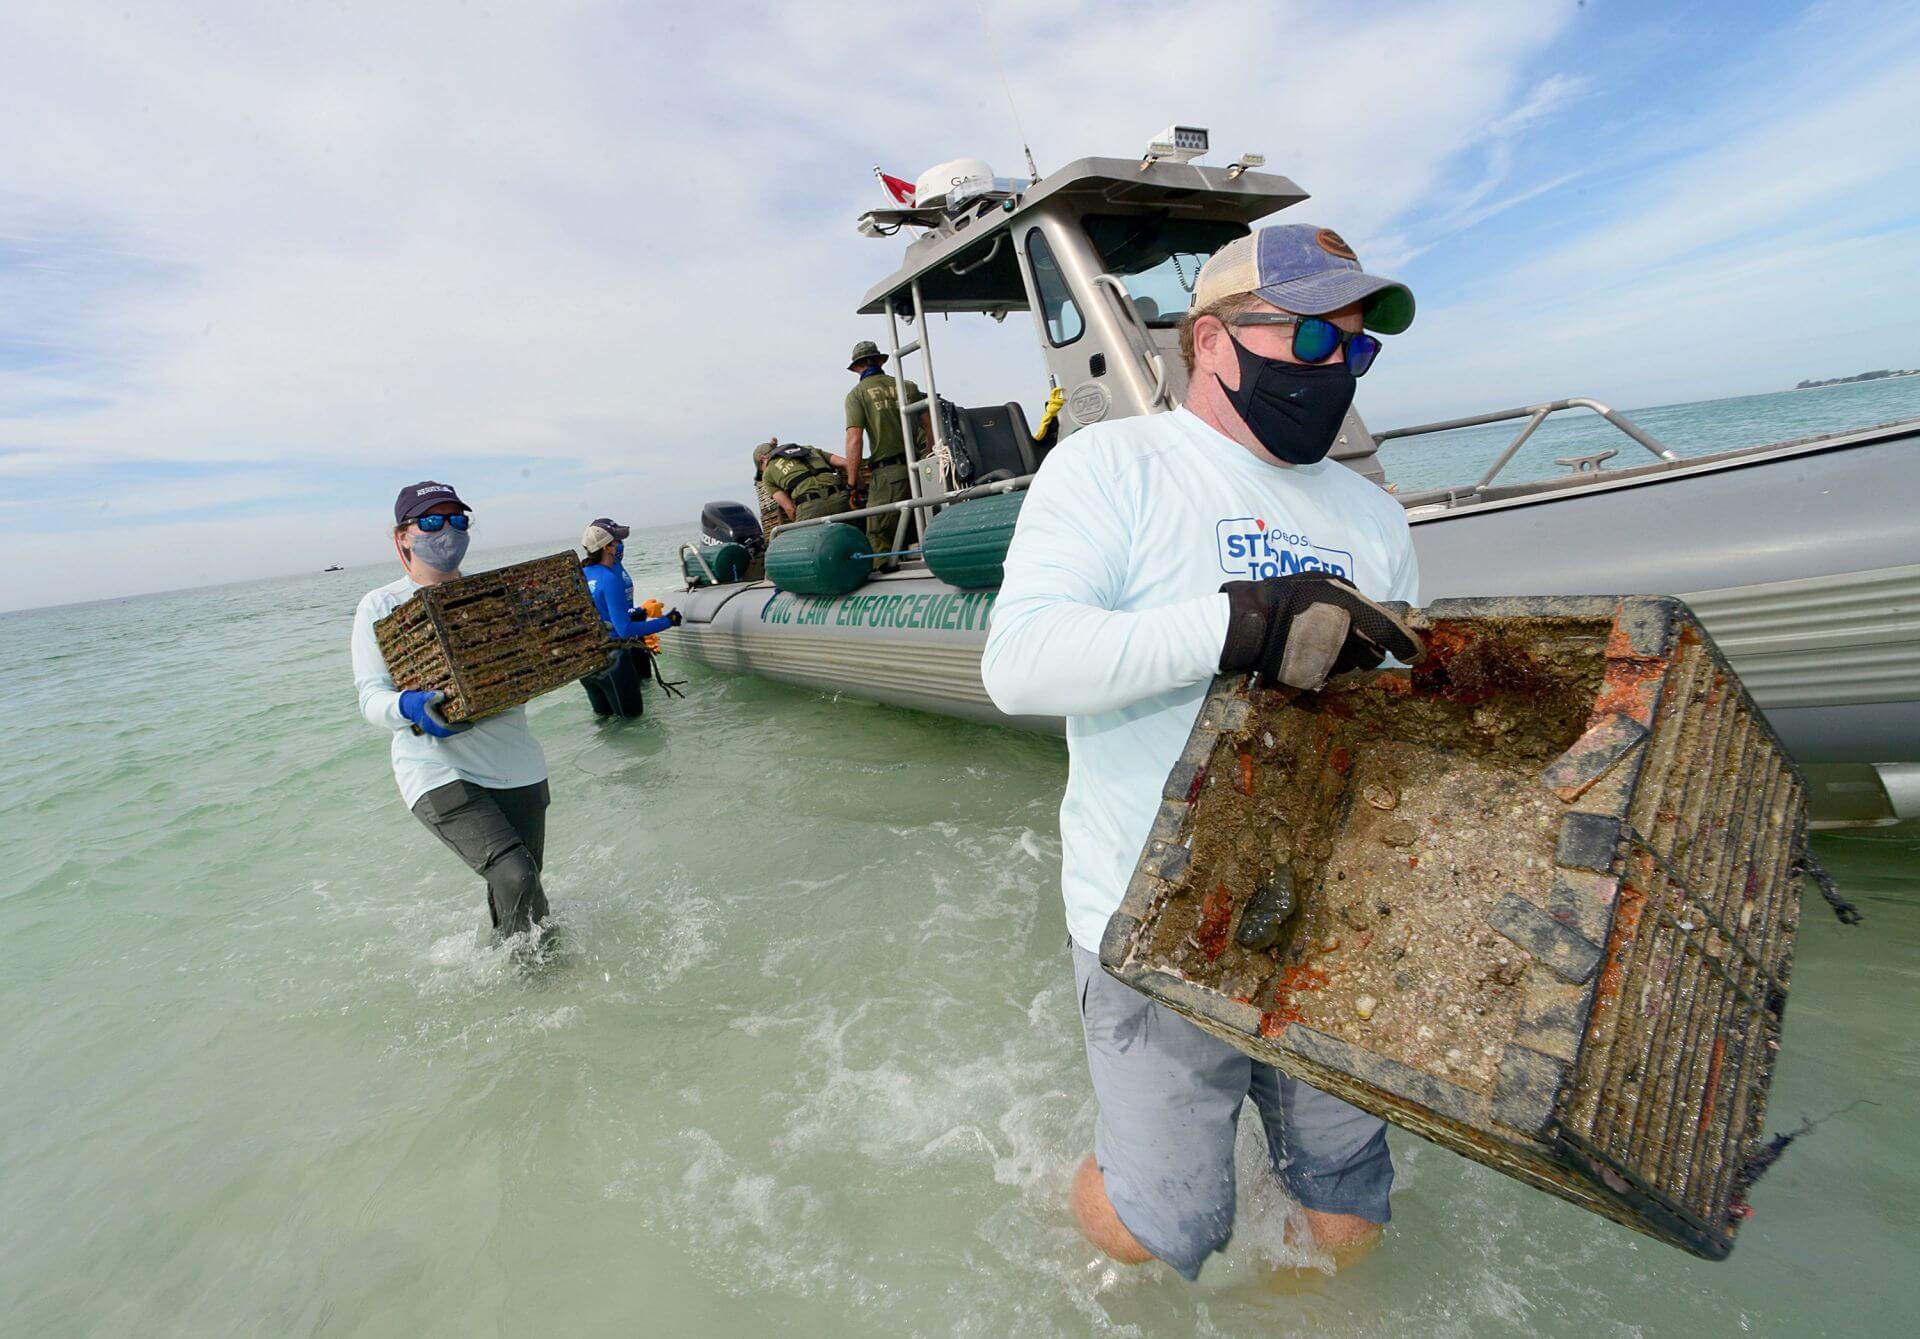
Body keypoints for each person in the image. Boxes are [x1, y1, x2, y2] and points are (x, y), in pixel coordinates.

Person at [981, 224, 1424, 1282]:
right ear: (1214, 342)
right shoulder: (1112, 465)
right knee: (1158, 1232)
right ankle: (1107, 1172)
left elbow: (1403, 723)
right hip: (1159, 922)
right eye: (1312, 336)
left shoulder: (1375, 514)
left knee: (1347, 1220)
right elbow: (1020, 665)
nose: (1335, 366)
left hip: (1327, 918)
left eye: (1356, 347)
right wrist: (1237, 625)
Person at [350, 481, 554, 937]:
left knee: (527, 890)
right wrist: (408, 706)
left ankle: (533, 970)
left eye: (457, 519)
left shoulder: (494, 597)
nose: (447, 530)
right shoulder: (380, 606)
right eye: (430, 521)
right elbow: (370, 697)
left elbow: (534, 666)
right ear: (402, 536)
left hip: (517, 766)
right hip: (438, 771)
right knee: (515, 875)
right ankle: (521, 972)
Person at [579, 519, 679, 717]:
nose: (620, 545)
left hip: (588, 664)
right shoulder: (609, 578)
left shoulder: (580, 575)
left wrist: (640, 613)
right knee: (635, 724)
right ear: (607, 547)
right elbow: (624, 629)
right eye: (617, 542)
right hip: (614, 661)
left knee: (604, 723)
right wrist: (668, 620)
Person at [842, 340, 925, 559]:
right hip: (920, 469)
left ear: (857, 367)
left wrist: (852, 483)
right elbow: (930, 427)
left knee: (879, 535)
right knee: (922, 522)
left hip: (889, 475)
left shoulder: (857, 395)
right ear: (880, 361)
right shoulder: (908, 387)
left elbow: (855, 440)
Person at [753, 438, 854, 521]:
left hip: (809, 508)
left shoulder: (767, 474)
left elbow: (790, 509)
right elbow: (847, 463)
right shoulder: (810, 449)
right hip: (841, 499)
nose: (763, 473)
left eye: (761, 470)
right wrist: (853, 489)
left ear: (763, 459)